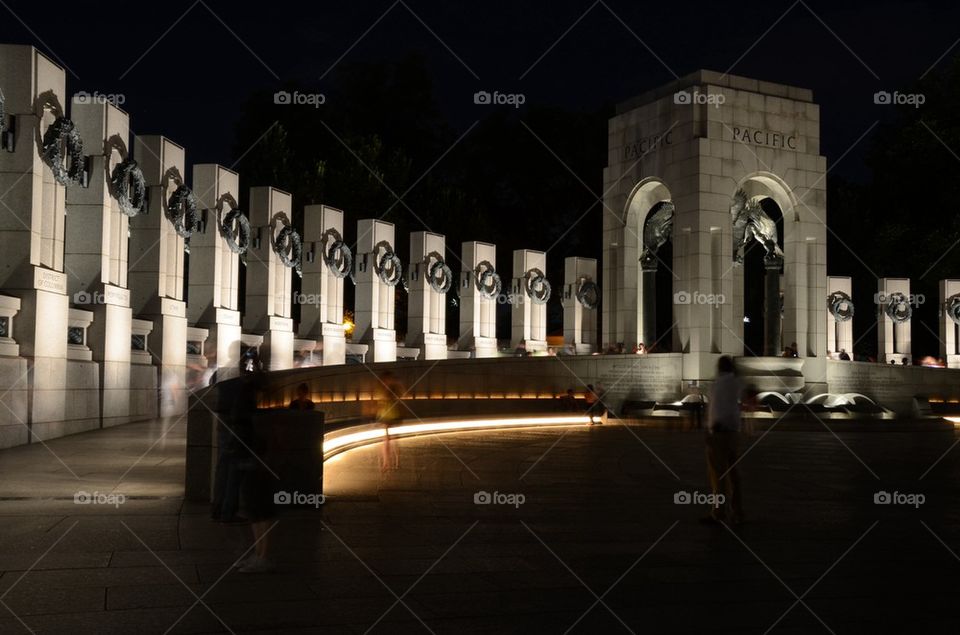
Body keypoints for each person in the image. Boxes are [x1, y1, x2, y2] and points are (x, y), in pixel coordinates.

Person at [234, 354, 276, 573]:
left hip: (255, 459)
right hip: (250, 457)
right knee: (254, 510)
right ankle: (259, 554)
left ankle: (263, 556)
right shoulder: (249, 393)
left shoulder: (251, 393)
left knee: (259, 510)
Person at [702, 356, 747, 526]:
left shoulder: (717, 384)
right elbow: (747, 395)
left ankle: (719, 513)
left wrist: (708, 429)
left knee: (717, 475)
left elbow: (712, 409)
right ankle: (737, 512)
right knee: (734, 474)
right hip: (733, 432)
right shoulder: (736, 382)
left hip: (718, 434)